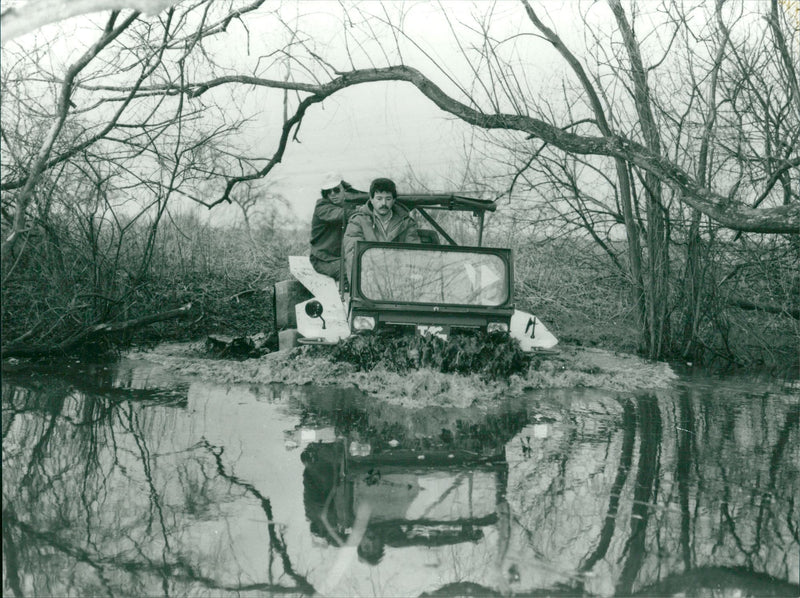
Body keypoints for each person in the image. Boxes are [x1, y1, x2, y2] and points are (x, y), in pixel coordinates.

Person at [343, 177, 420, 282]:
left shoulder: (407, 223)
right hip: (369, 281)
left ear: (394, 200)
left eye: (388, 199)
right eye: (379, 198)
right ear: (371, 199)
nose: (383, 203)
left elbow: (414, 253)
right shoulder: (358, 221)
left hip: (399, 278)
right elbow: (353, 255)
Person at [309, 172, 359, 281]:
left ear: (344, 190)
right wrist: (364, 210)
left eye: (336, 190)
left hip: (343, 257)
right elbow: (342, 214)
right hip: (324, 259)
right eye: (328, 191)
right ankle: (347, 298)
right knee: (349, 274)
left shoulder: (348, 205)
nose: (332, 194)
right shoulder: (322, 206)